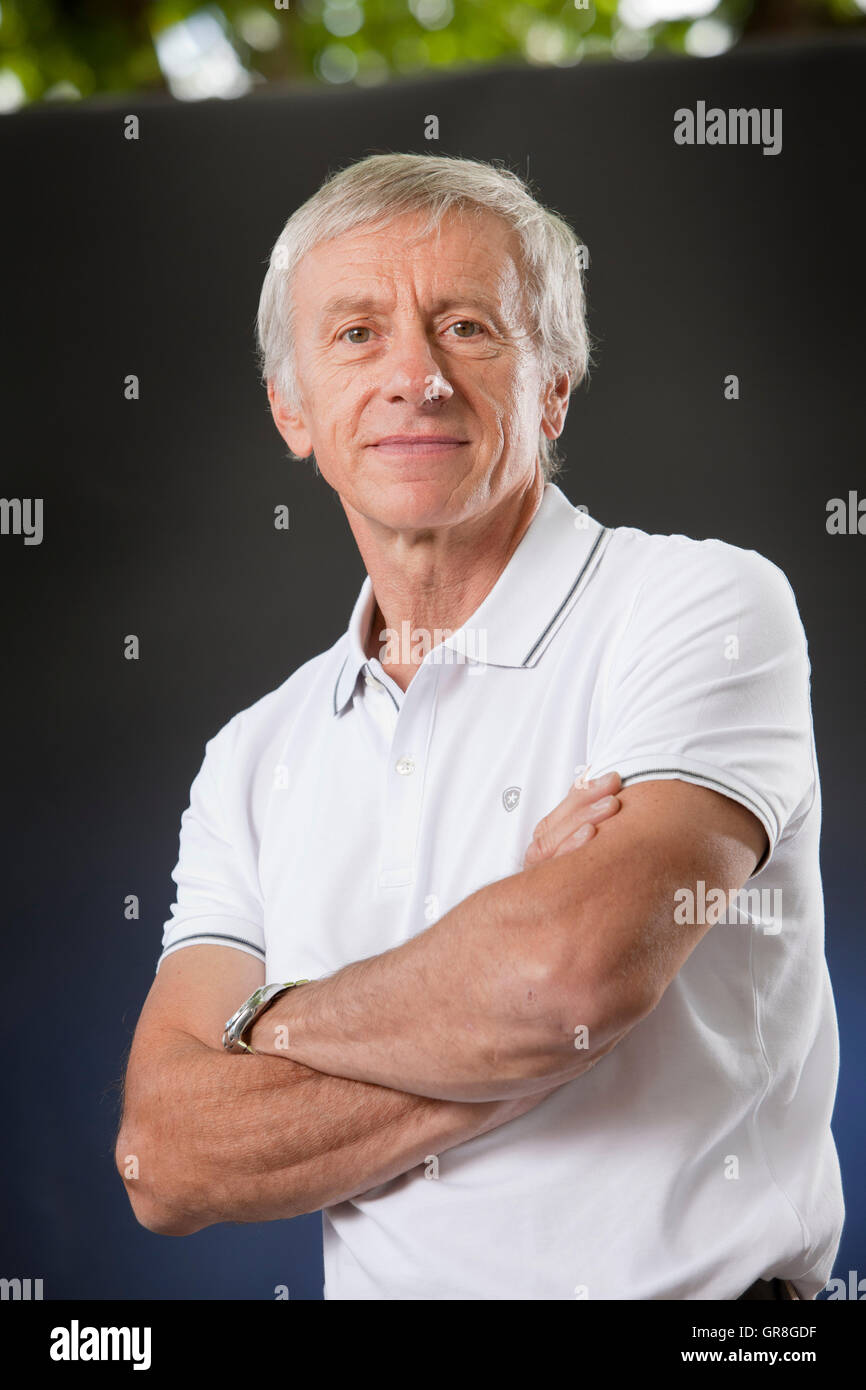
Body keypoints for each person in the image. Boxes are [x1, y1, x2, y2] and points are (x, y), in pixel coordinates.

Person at [116, 153, 843, 1300]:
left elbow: (563, 980)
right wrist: (490, 980)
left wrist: (266, 1023)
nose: (416, 376)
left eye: (464, 326)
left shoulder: (702, 607)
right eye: (356, 334)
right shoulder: (252, 756)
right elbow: (163, 1159)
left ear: (552, 384)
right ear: (291, 409)